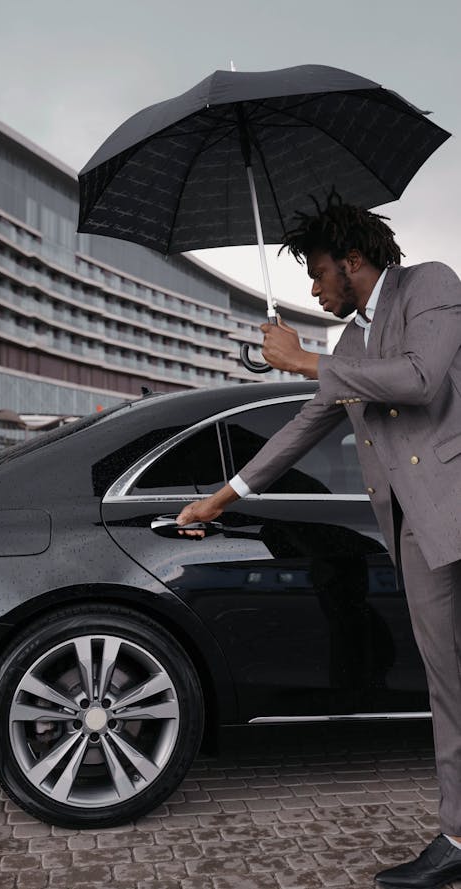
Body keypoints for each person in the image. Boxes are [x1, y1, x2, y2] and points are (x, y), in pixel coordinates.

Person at [176, 193, 461, 889]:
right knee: (449, 688)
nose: (312, 288)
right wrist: (221, 496)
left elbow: (421, 379)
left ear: (353, 261)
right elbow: (305, 425)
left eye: (318, 273)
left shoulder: (431, 284)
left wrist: (305, 361)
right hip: (418, 537)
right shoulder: (350, 343)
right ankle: (459, 835)